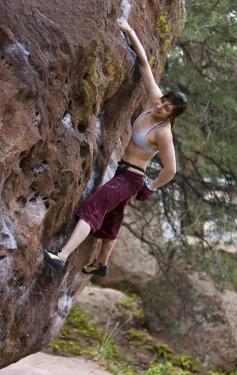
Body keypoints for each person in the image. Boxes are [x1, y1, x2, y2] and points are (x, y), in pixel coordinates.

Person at [43, 17, 188, 276]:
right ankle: (101, 264)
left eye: (166, 108)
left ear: (171, 116)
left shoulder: (164, 133)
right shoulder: (155, 100)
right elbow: (144, 64)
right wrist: (130, 31)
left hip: (133, 178)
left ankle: (62, 256)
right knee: (112, 218)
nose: (159, 106)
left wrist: (151, 187)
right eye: (163, 101)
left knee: (94, 206)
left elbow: (171, 169)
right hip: (123, 172)